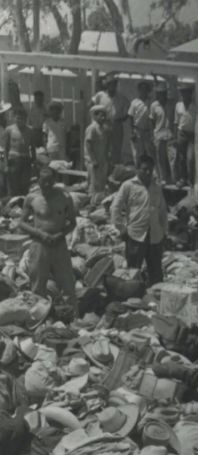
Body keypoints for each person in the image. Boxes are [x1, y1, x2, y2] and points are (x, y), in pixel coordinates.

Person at [19, 163, 78, 305]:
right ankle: (39, 319)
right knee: (38, 286)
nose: (46, 184)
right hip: (40, 245)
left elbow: (73, 222)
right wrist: (40, 234)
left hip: (59, 245)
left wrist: (60, 235)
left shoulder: (64, 197)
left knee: (67, 284)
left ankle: (71, 317)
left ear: (55, 180)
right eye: (43, 180)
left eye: (50, 180)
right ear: (37, 180)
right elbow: (21, 223)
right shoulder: (32, 198)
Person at [111, 155, 169, 286]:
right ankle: (132, 300)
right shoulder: (128, 186)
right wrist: (122, 229)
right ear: (137, 169)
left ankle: (156, 299)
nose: (148, 172)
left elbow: (163, 212)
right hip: (135, 235)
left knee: (156, 273)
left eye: (150, 169)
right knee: (133, 272)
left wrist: (165, 233)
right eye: (144, 169)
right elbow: (115, 208)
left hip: (155, 236)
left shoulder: (156, 188)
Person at [92, 76, 128, 165]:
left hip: (117, 124)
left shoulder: (121, 97)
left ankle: (114, 168)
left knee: (116, 148)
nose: (113, 86)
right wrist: (96, 118)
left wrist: (123, 118)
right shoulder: (100, 95)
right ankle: (104, 167)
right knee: (104, 146)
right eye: (111, 84)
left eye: (115, 84)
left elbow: (130, 109)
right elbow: (90, 105)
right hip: (104, 124)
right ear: (107, 85)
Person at [1, 107, 35, 197]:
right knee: (13, 187)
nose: (20, 120)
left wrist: (33, 161)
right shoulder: (9, 129)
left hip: (26, 160)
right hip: (13, 160)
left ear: (26, 119)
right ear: (14, 118)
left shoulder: (30, 130)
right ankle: (12, 207)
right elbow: (6, 148)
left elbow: (33, 148)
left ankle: (23, 207)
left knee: (25, 186)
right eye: (18, 118)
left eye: (22, 118)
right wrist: (6, 164)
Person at [84, 105, 110, 204]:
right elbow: (88, 144)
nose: (103, 118)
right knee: (94, 183)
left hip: (102, 159)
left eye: (104, 115)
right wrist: (93, 159)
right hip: (93, 161)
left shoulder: (103, 128)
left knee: (102, 183)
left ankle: (100, 202)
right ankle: (92, 203)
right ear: (95, 116)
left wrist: (106, 157)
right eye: (101, 115)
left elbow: (106, 143)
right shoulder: (92, 128)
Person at [173, 85, 197, 187]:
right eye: (183, 93)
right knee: (181, 158)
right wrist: (175, 137)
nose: (184, 95)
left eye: (187, 93)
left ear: (191, 94)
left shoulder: (195, 106)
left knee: (190, 158)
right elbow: (175, 122)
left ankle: (191, 180)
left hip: (192, 134)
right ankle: (183, 179)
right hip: (181, 133)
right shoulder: (178, 105)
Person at [128, 80, 155, 166]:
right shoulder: (134, 102)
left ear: (148, 90)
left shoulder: (151, 102)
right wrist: (132, 132)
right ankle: (137, 169)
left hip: (148, 131)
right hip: (137, 130)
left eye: (145, 89)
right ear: (139, 90)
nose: (144, 91)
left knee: (150, 152)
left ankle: (151, 172)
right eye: (142, 89)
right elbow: (131, 117)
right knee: (137, 153)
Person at [150, 83, 173, 182]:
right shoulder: (154, 105)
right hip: (159, 134)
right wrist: (152, 135)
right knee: (160, 158)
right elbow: (151, 120)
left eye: (163, 93)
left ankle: (172, 178)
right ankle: (162, 178)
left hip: (169, 134)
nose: (161, 95)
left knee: (171, 158)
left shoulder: (171, 104)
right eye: (159, 93)